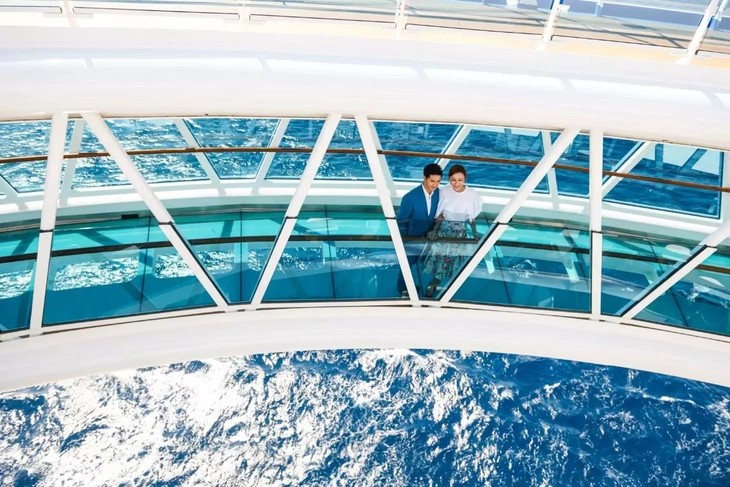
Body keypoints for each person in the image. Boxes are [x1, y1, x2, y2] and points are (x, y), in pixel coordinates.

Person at [420, 164, 482, 297]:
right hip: (444, 230)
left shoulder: (473, 195)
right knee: (441, 259)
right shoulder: (444, 192)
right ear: (449, 179)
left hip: (460, 232)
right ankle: (436, 283)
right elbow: (440, 215)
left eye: (460, 180)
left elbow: (472, 218)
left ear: (465, 179)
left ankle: (439, 284)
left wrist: (475, 233)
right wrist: (435, 230)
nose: (456, 183)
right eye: (453, 180)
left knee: (451, 260)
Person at [396, 163, 443, 296]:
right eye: (432, 181)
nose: (435, 185)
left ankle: (431, 285)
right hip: (412, 238)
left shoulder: (438, 193)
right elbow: (401, 221)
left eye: (438, 181)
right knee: (407, 265)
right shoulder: (410, 198)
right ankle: (402, 289)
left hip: (428, 237)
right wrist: (405, 241)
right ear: (424, 178)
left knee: (432, 261)